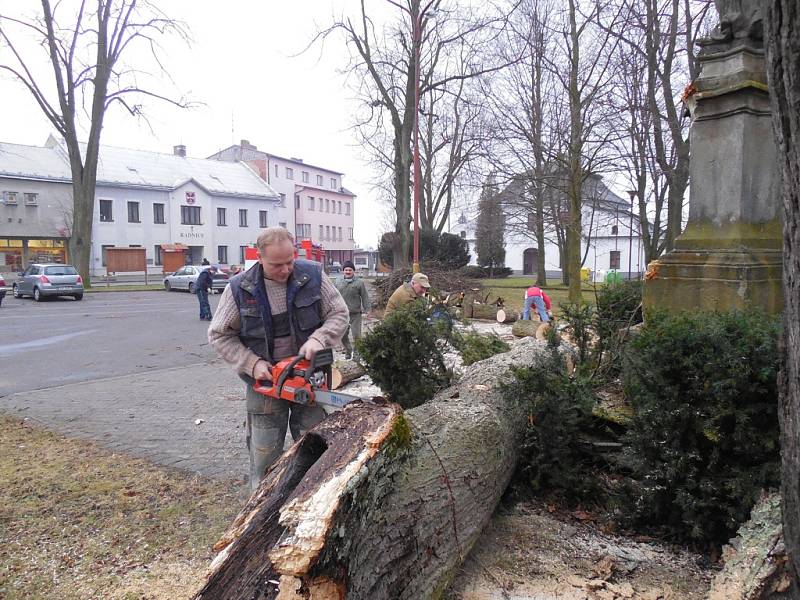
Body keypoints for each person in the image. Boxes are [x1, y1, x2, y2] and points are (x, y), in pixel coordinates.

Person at [208, 227, 349, 491]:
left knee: (315, 452)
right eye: (276, 264)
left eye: (290, 261)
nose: (285, 269)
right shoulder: (240, 288)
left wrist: (320, 338)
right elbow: (219, 335)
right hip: (265, 383)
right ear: (259, 258)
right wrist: (252, 364)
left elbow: (339, 313)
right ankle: (259, 510)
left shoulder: (313, 276)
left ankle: (312, 501)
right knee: (264, 459)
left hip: (309, 380)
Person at [335, 260, 371, 359]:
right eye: (346, 270)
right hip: (342, 314)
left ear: (353, 271)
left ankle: (357, 353)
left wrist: (368, 310)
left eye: (350, 270)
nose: (347, 272)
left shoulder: (359, 283)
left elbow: (365, 297)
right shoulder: (338, 282)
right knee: (342, 335)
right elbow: (333, 296)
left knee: (356, 335)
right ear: (343, 271)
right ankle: (348, 350)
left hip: (356, 314)